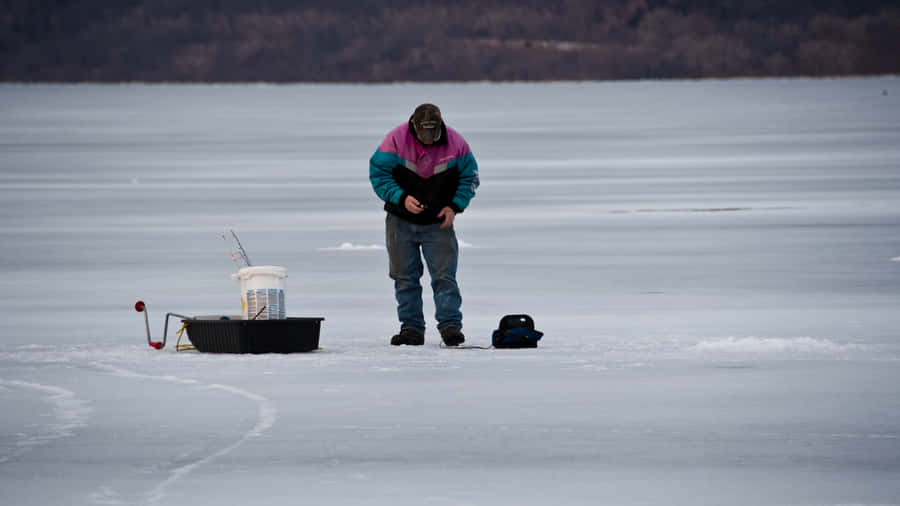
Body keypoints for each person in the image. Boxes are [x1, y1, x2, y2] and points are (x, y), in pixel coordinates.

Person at [369, 104, 479, 346]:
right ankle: (411, 329)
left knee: (444, 277)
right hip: (400, 220)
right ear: (414, 126)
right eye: (424, 135)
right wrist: (401, 198)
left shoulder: (457, 143)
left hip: (438, 221)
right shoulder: (395, 140)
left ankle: (450, 327)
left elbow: (470, 177)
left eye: (433, 135)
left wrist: (454, 206)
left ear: (440, 127)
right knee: (404, 278)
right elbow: (378, 174)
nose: (429, 140)